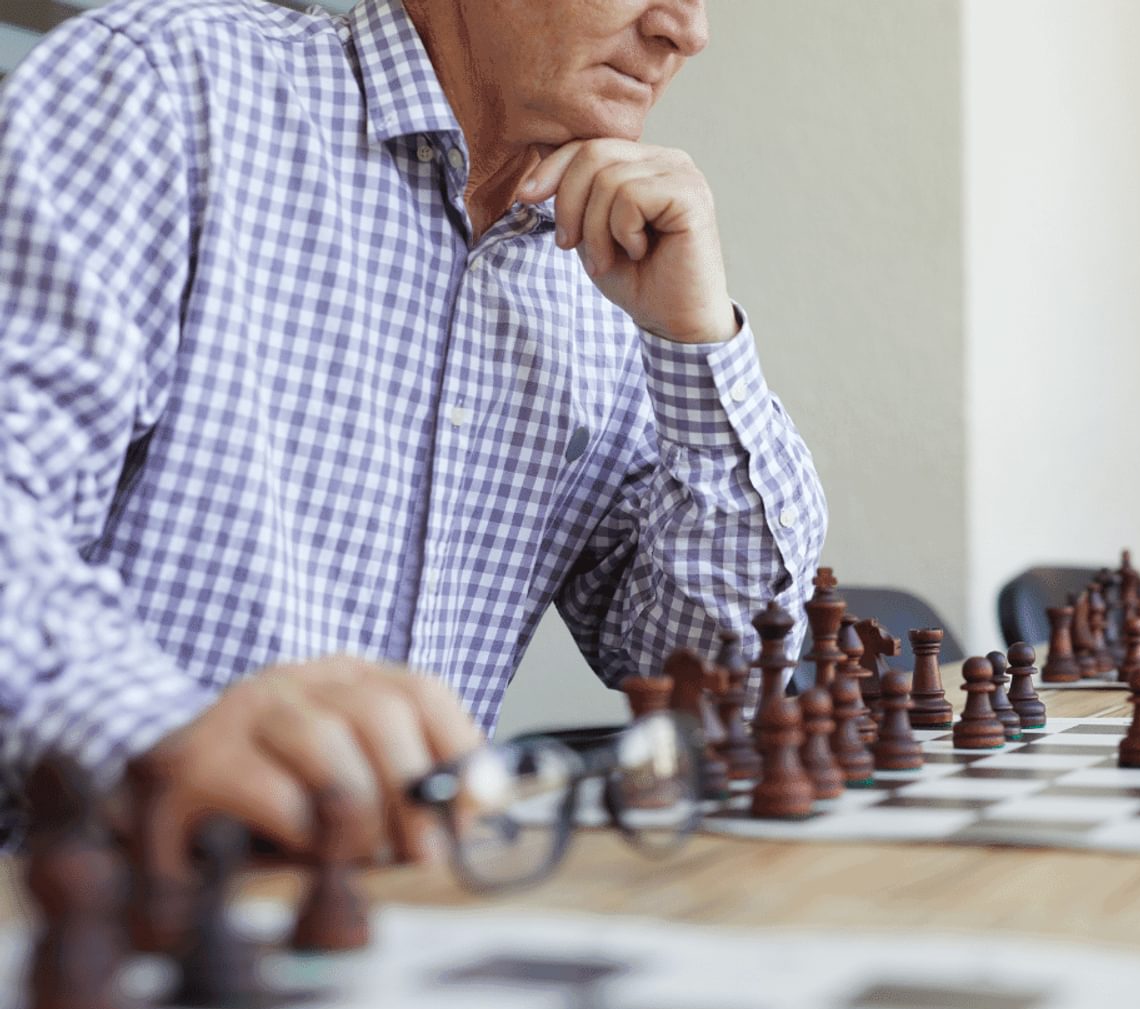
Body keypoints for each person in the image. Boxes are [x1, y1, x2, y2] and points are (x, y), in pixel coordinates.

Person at [0, 0, 826, 863]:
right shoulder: (156, 87)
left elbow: (707, 666)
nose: (685, 31)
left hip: (411, 911)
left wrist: (696, 345)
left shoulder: (606, 268)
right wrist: (156, 735)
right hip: (91, 918)